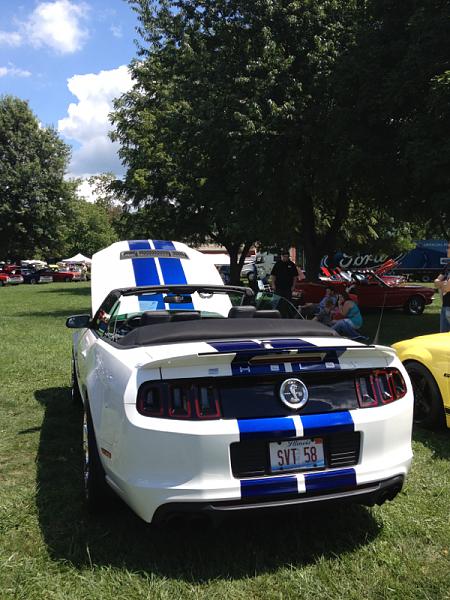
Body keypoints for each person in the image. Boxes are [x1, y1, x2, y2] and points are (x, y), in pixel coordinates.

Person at [434, 265, 450, 332]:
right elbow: (436, 283)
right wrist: (444, 284)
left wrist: (441, 285)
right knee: (443, 337)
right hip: (445, 305)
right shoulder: (448, 265)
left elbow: (447, 287)